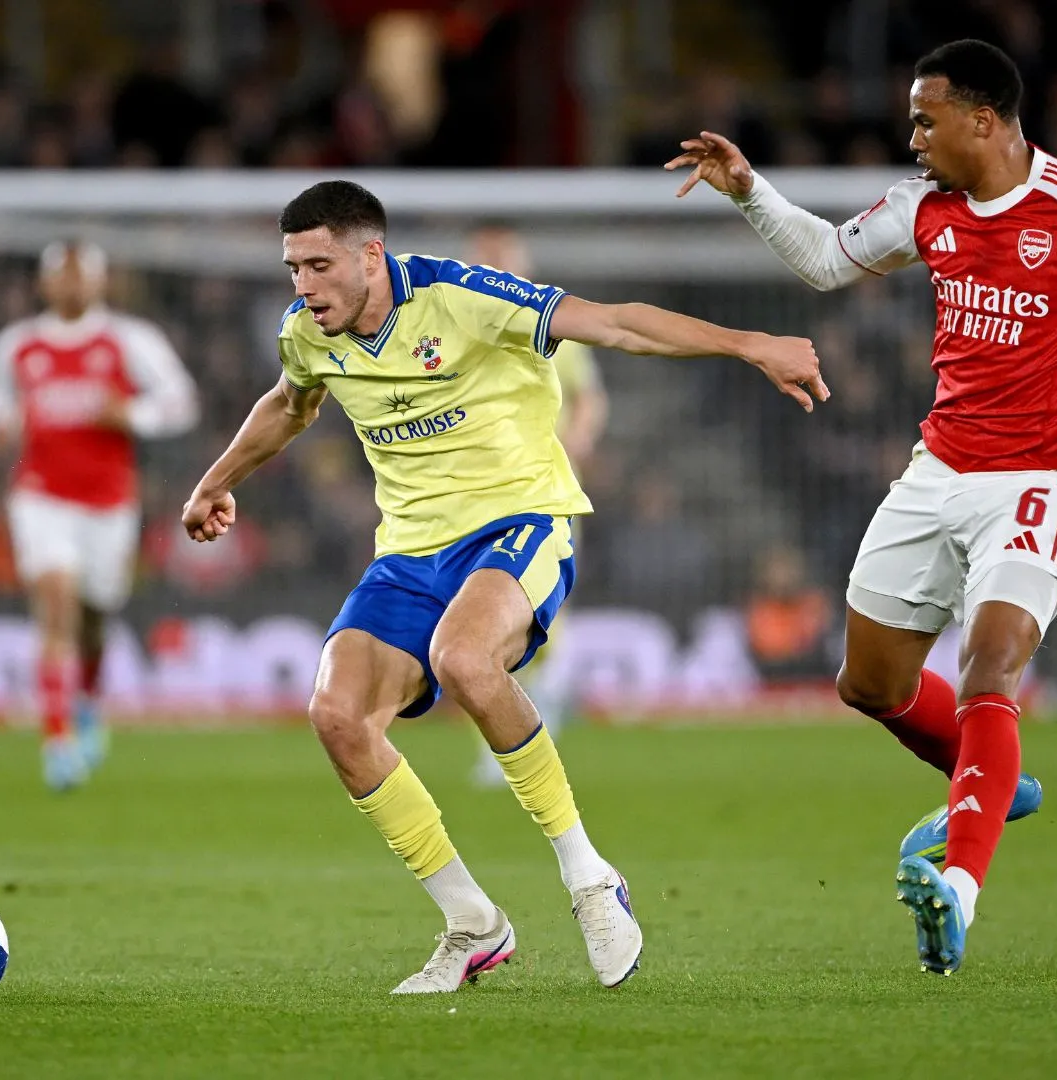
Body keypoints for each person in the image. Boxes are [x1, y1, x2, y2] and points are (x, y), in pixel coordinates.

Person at [180, 181, 825, 994]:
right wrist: (216, 481)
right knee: (338, 716)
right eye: (292, 268)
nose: (303, 287)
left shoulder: (463, 296)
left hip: (518, 524)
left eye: (318, 265)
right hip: (411, 552)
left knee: (465, 659)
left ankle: (590, 878)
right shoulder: (307, 332)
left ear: (371, 254)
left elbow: (614, 322)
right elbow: (290, 402)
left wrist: (749, 343)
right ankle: (472, 923)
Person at [669, 39, 1057, 976]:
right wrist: (748, 190)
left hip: (1046, 480)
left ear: (985, 119)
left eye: (926, 119)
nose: (913, 135)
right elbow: (825, 261)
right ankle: (990, 782)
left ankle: (957, 889)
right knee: (868, 684)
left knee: (990, 666)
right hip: (939, 471)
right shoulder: (921, 208)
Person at [0, 241, 199, 790]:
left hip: (109, 503)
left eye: (81, 276)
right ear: (45, 284)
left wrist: (131, 413)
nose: (71, 285)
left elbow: (181, 401)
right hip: (40, 497)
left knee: (94, 617)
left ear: (99, 283)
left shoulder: (128, 340)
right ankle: (57, 741)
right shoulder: (18, 346)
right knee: (56, 606)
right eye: (62, 276)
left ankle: (88, 705)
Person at [462, 223, 609, 787]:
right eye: (486, 261)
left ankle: (532, 717)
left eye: (504, 260)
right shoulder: (457, 330)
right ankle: (519, 724)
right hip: (474, 493)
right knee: (474, 616)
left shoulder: (548, 326)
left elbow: (591, 398)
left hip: (543, 490)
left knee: (530, 606)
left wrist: (577, 442)